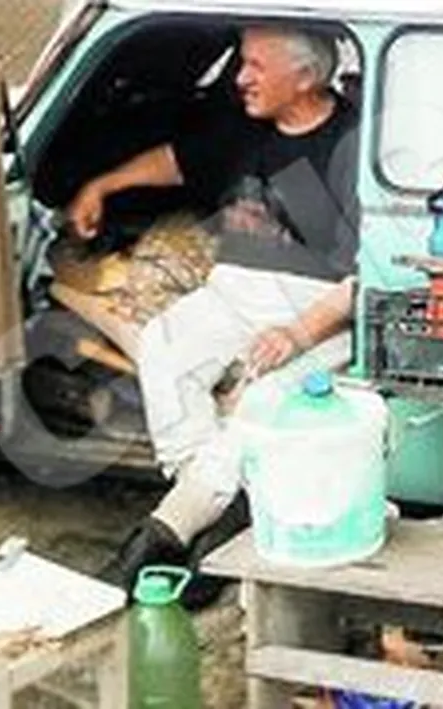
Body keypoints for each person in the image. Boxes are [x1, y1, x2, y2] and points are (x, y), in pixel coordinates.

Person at [65, 22, 361, 608]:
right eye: (240, 63)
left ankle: (163, 535)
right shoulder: (241, 127)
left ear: (304, 78)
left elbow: (368, 277)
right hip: (232, 291)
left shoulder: (353, 147)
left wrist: (297, 334)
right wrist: (102, 184)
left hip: (316, 307)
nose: (240, 78)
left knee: (259, 405)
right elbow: (177, 161)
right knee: (164, 351)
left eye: (254, 65)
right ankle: (217, 521)